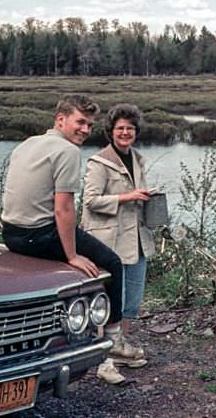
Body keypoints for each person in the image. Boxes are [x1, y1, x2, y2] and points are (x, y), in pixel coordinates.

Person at [0, 94, 128, 384]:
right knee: (112, 262)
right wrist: (71, 255)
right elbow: (64, 208)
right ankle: (113, 339)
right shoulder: (68, 151)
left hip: (11, 235)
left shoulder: (28, 144)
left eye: (90, 125)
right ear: (61, 119)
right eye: (80, 122)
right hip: (38, 236)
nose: (85, 129)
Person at [81, 103, 155, 383]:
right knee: (111, 299)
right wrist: (128, 197)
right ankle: (104, 362)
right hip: (110, 241)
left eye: (130, 128)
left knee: (131, 301)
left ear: (136, 132)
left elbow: (137, 197)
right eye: (120, 128)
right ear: (110, 132)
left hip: (136, 239)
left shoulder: (137, 159)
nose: (125, 133)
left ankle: (120, 351)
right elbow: (90, 201)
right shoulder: (98, 162)